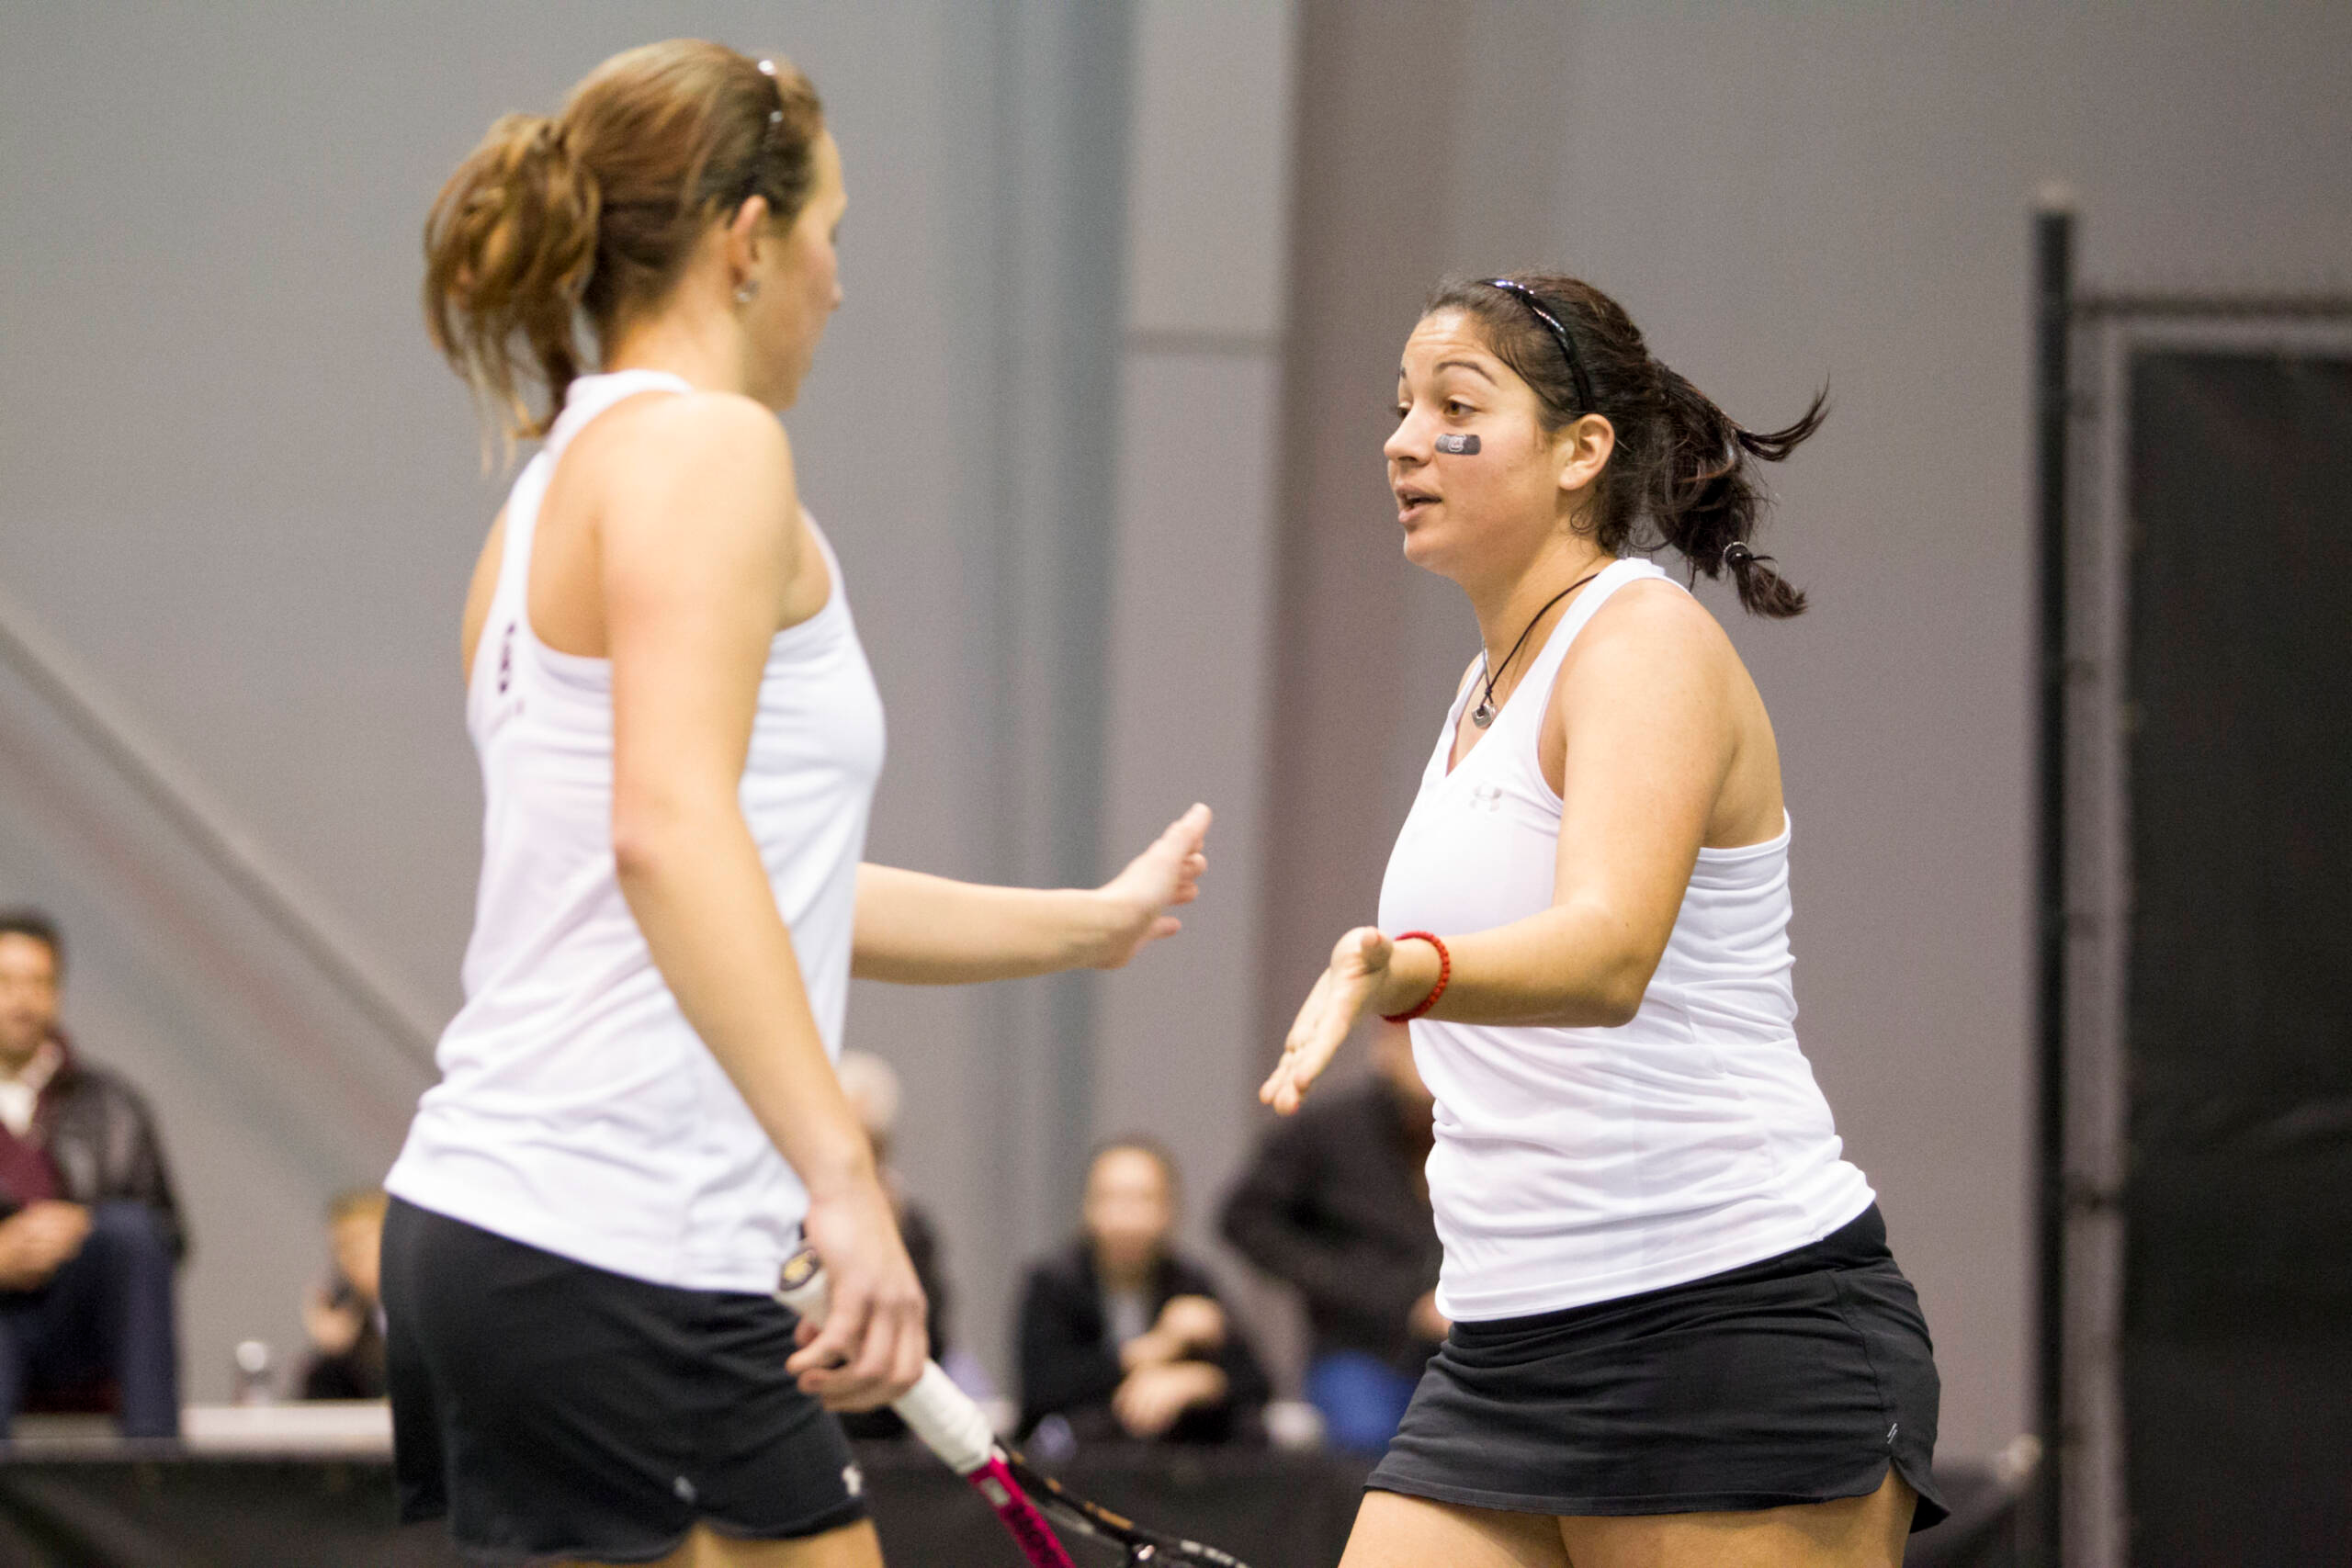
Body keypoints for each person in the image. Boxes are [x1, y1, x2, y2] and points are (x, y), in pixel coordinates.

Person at [382, 41, 1211, 1568]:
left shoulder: (549, 491)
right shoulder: (710, 450)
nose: (839, 282)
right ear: (748, 240)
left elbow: (752, 873)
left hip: (520, 1233)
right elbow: (670, 834)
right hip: (620, 1239)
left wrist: (1086, 927)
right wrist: (846, 1179)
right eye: (832, 233)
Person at [1258, 274, 1945, 1568]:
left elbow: (1610, 950)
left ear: (1584, 451)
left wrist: (1401, 966)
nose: (1404, 439)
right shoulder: (1485, 681)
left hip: (1731, 1325)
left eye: (1456, 406)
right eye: (1401, 406)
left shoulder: (1642, 642)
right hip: (1511, 1342)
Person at [0, 909, 184, 1438]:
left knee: (129, 1232)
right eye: (8, 982)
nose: (22, 1001)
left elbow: (168, 1237)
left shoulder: (114, 1107)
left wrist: (79, 1229)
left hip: (80, 1320)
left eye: (38, 983)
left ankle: (153, 1468)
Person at [1220, 1019, 1442, 1454]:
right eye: (1417, 1043)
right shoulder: (1329, 1130)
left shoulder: (1476, 1130)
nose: (1429, 1060)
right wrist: (1375, 1293)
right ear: (1384, 1047)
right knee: (1371, 1447)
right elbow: (1244, 1219)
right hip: (1361, 1349)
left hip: (1463, 1352)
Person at [1018, 1138, 1269, 1448]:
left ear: (1170, 1209)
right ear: (1088, 1206)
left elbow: (1256, 1384)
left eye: (1143, 1198)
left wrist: (1194, 1381)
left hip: (1176, 1463)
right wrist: (1158, 1347)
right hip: (1081, 1461)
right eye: (1112, 1197)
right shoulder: (1054, 1282)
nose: (1127, 1213)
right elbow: (1044, 1389)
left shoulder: (1190, 1283)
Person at [297, 1188, 387, 1401]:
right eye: (342, 1246)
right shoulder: (351, 1317)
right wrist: (332, 1355)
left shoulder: (428, 1308)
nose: (353, 1255)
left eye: (361, 1239)